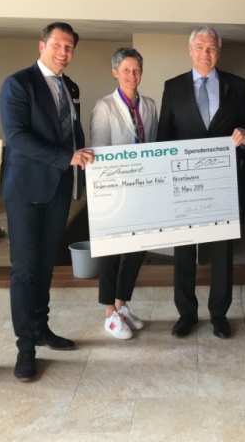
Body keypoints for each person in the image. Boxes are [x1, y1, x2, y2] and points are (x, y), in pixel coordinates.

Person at [0, 22, 95, 382]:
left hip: (58, 189)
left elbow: (72, 132)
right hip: (26, 190)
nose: (64, 52)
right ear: (42, 46)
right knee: (25, 269)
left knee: (45, 265)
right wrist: (65, 157)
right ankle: (25, 347)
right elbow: (17, 137)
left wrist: (85, 158)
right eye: (58, 45)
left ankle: (41, 328)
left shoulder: (71, 87)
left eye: (69, 47)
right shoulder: (18, 83)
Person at [157, 26, 245, 339]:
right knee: (184, 250)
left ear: (218, 52)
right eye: (199, 47)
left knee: (222, 251)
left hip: (222, 183)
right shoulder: (172, 87)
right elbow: (163, 138)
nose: (205, 53)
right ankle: (186, 314)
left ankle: (219, 314)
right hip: (184, 183)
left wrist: (244, 136)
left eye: (211, 47)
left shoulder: (237, 85)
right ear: (190, 50)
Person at [90, 47, 157, 340]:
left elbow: (153, 145)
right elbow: (99, 150)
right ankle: (109, 314)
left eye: (136, 70)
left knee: (136, 250)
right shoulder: (104, 106)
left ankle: (122, 305)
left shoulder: (149, 105)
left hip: (142, 189)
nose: (132, 75)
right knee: (111, 252)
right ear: (115, 72)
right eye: (126, 70)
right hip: (114, 191)